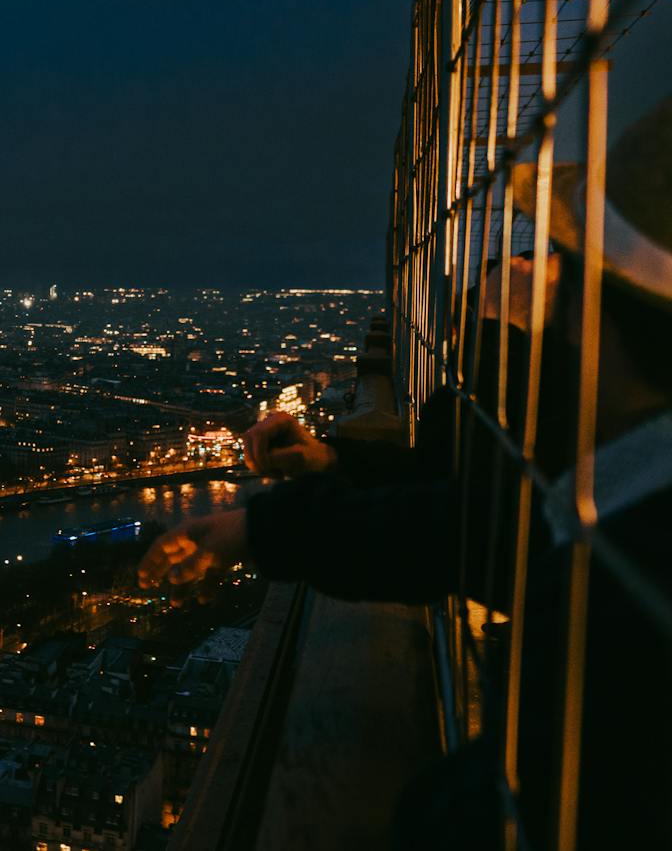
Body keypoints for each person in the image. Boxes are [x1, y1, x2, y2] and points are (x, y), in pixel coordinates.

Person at [138, 96, 672, 846]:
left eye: (568, 260)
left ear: (602, 307)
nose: (545, 274)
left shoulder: (631, 565)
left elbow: (482, 520)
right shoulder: (633, 498)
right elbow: (480, 505)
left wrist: (497, 341)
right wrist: (322, 467)